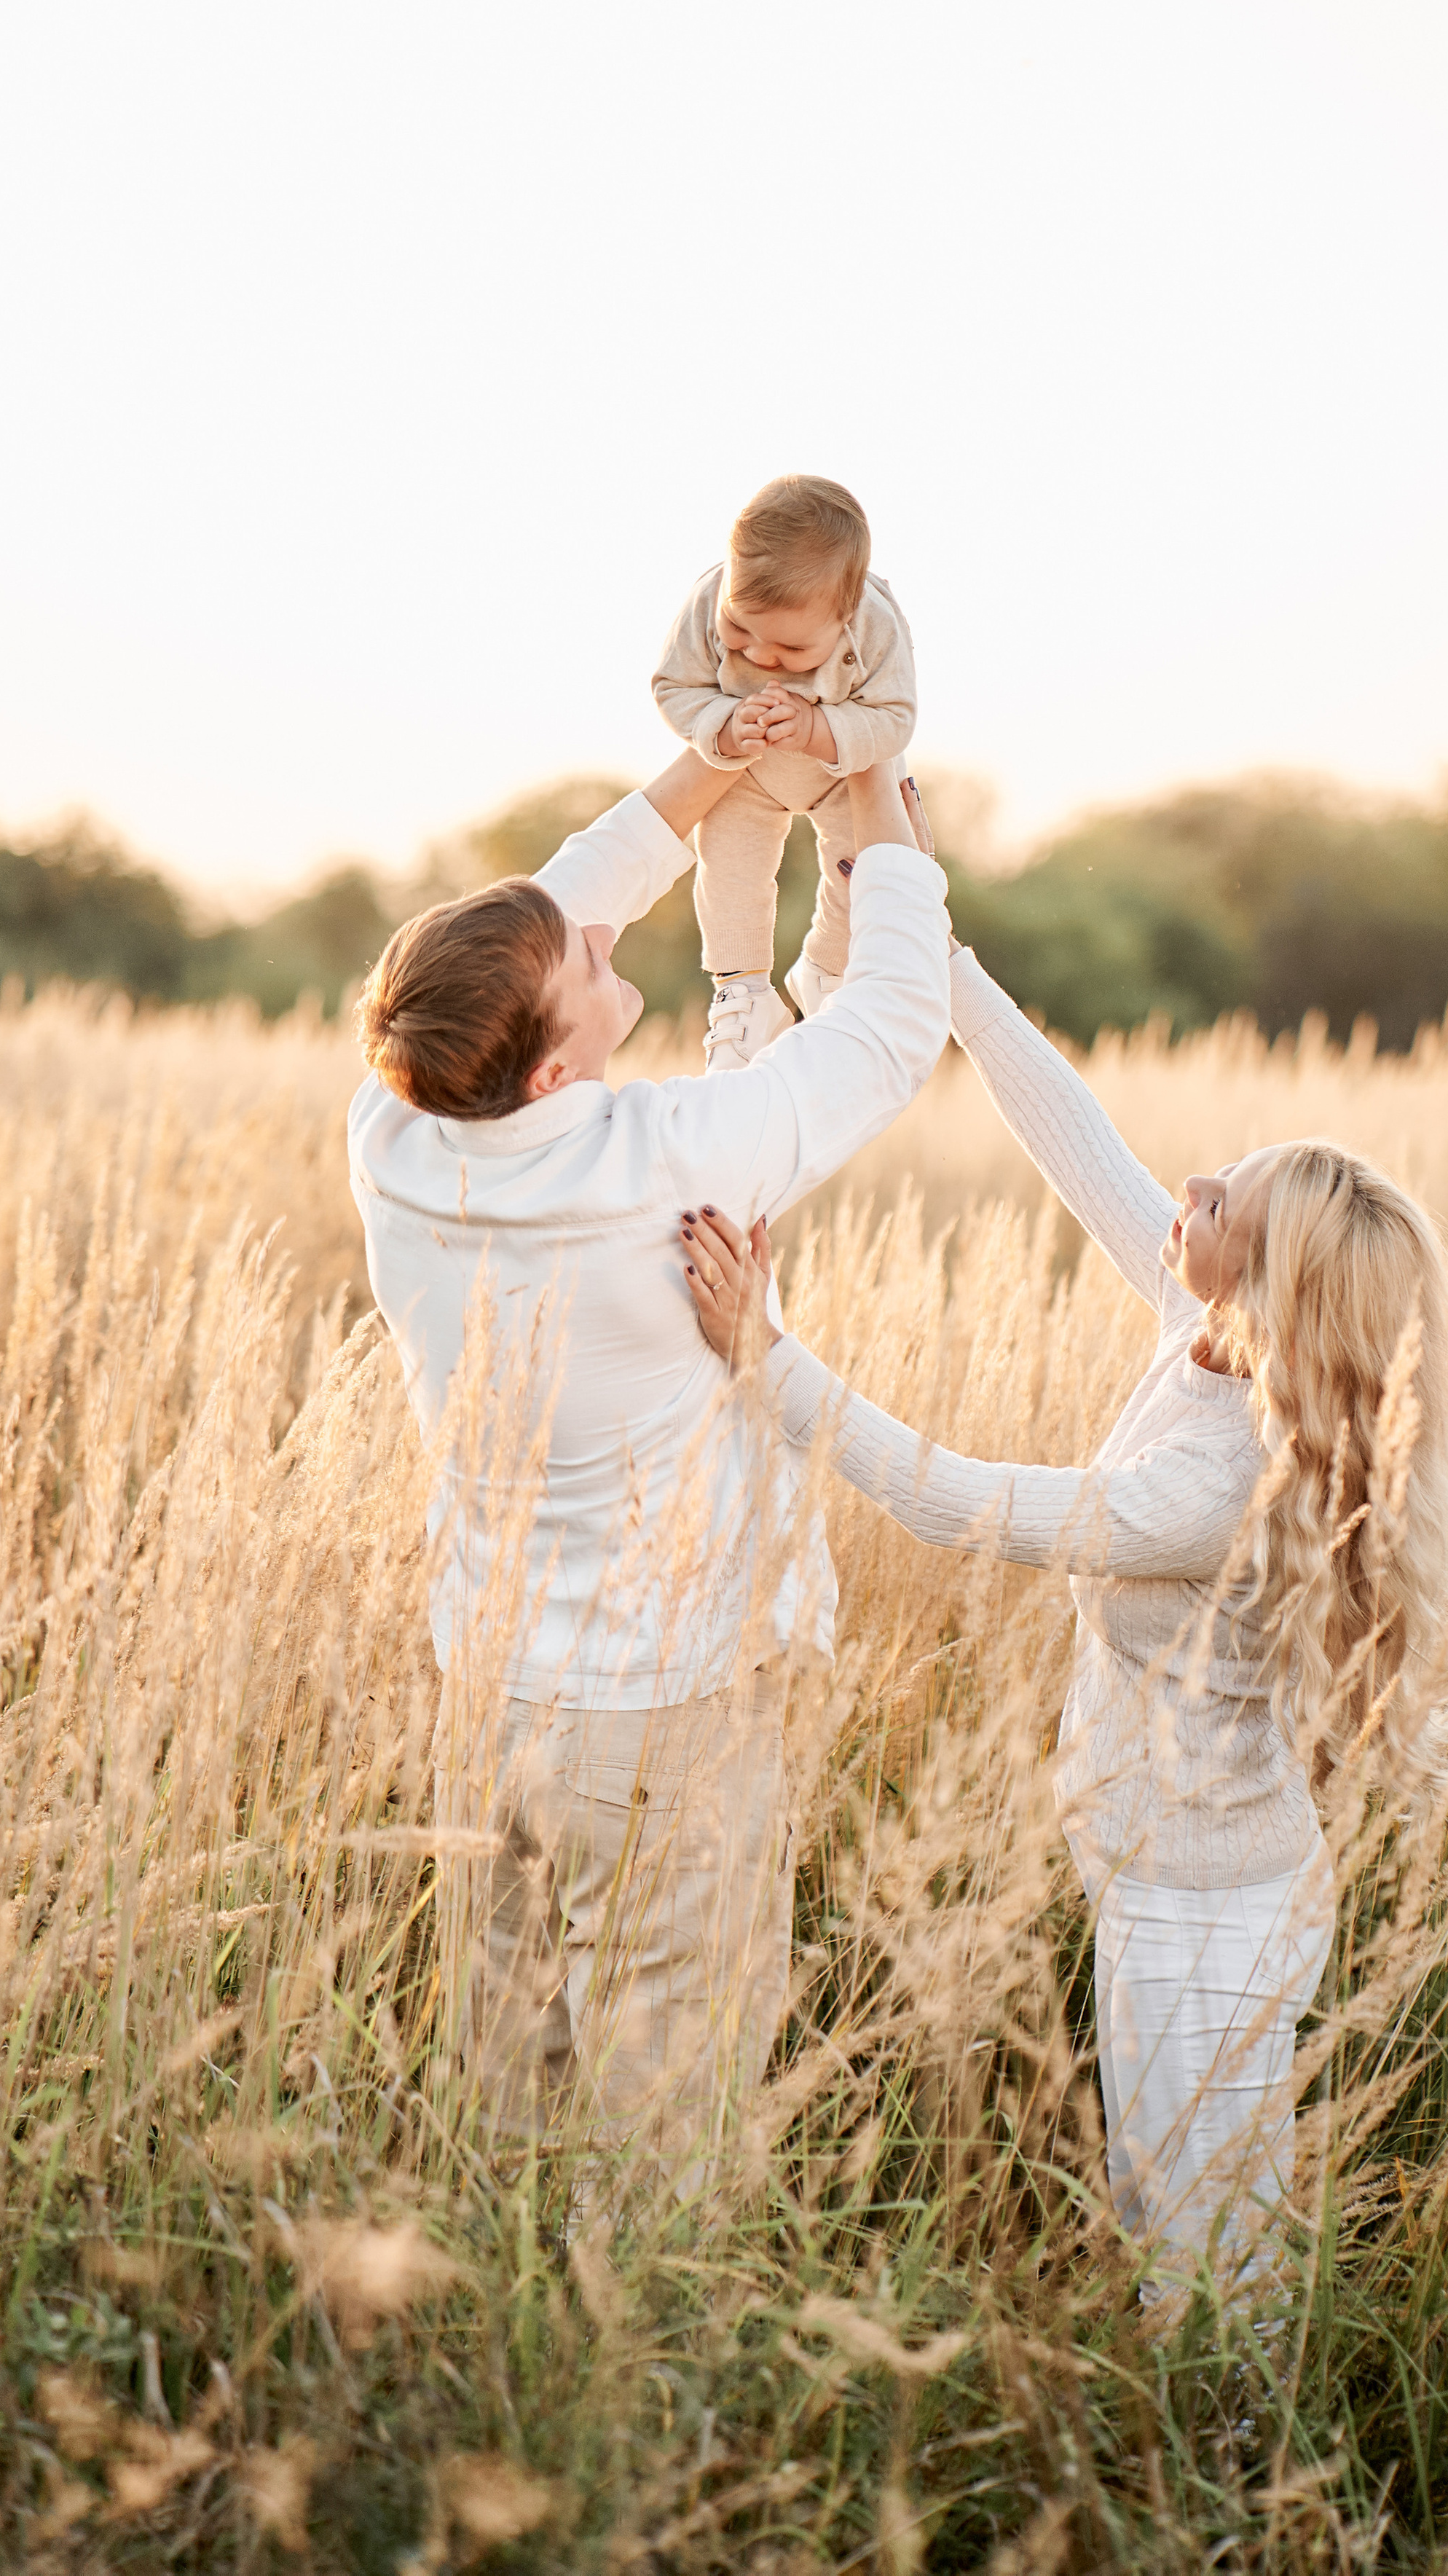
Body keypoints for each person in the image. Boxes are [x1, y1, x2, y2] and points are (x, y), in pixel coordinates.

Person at [674, 937, 1448, 2288]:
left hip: (1201, 1908)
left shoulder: (1219, 1484)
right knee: (1185, 2211)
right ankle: (1222, 2464)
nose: (1196, 1186)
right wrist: (932, 947)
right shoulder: (1215, 1338)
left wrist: (769, 1356)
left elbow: (966, 1505)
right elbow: (1070, 1128)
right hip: (1169, 1875)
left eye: (1231, 1201)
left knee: (1205, 2249)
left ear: (1268, 1280)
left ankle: (1236, 2487)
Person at [347, 747, 948, 2188]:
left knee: (505, 2050)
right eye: (585, 970)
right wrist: (871, 798)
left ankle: (494, 2332)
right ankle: (636, 2380)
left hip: (487, 1682)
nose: (602, 939)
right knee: (665, 2073)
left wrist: (709, 770)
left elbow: (533, 928)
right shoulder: (666, 1153)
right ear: (555, 1069)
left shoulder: (396, 1129)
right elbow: (890, 1023)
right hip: (658, 1706)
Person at [653, 474, 918, 1069]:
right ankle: (743, 992)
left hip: (839, 770)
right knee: (729, 873)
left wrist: (818, 730)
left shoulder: (875, 625)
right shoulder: (707, 601)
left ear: (845, 617)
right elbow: (673, 686)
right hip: (743, 771)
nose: (762, 657)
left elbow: (895, 718)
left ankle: (827, 968)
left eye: (793, 651)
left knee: (863, 868)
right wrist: (722, 724)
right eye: (739, 632)